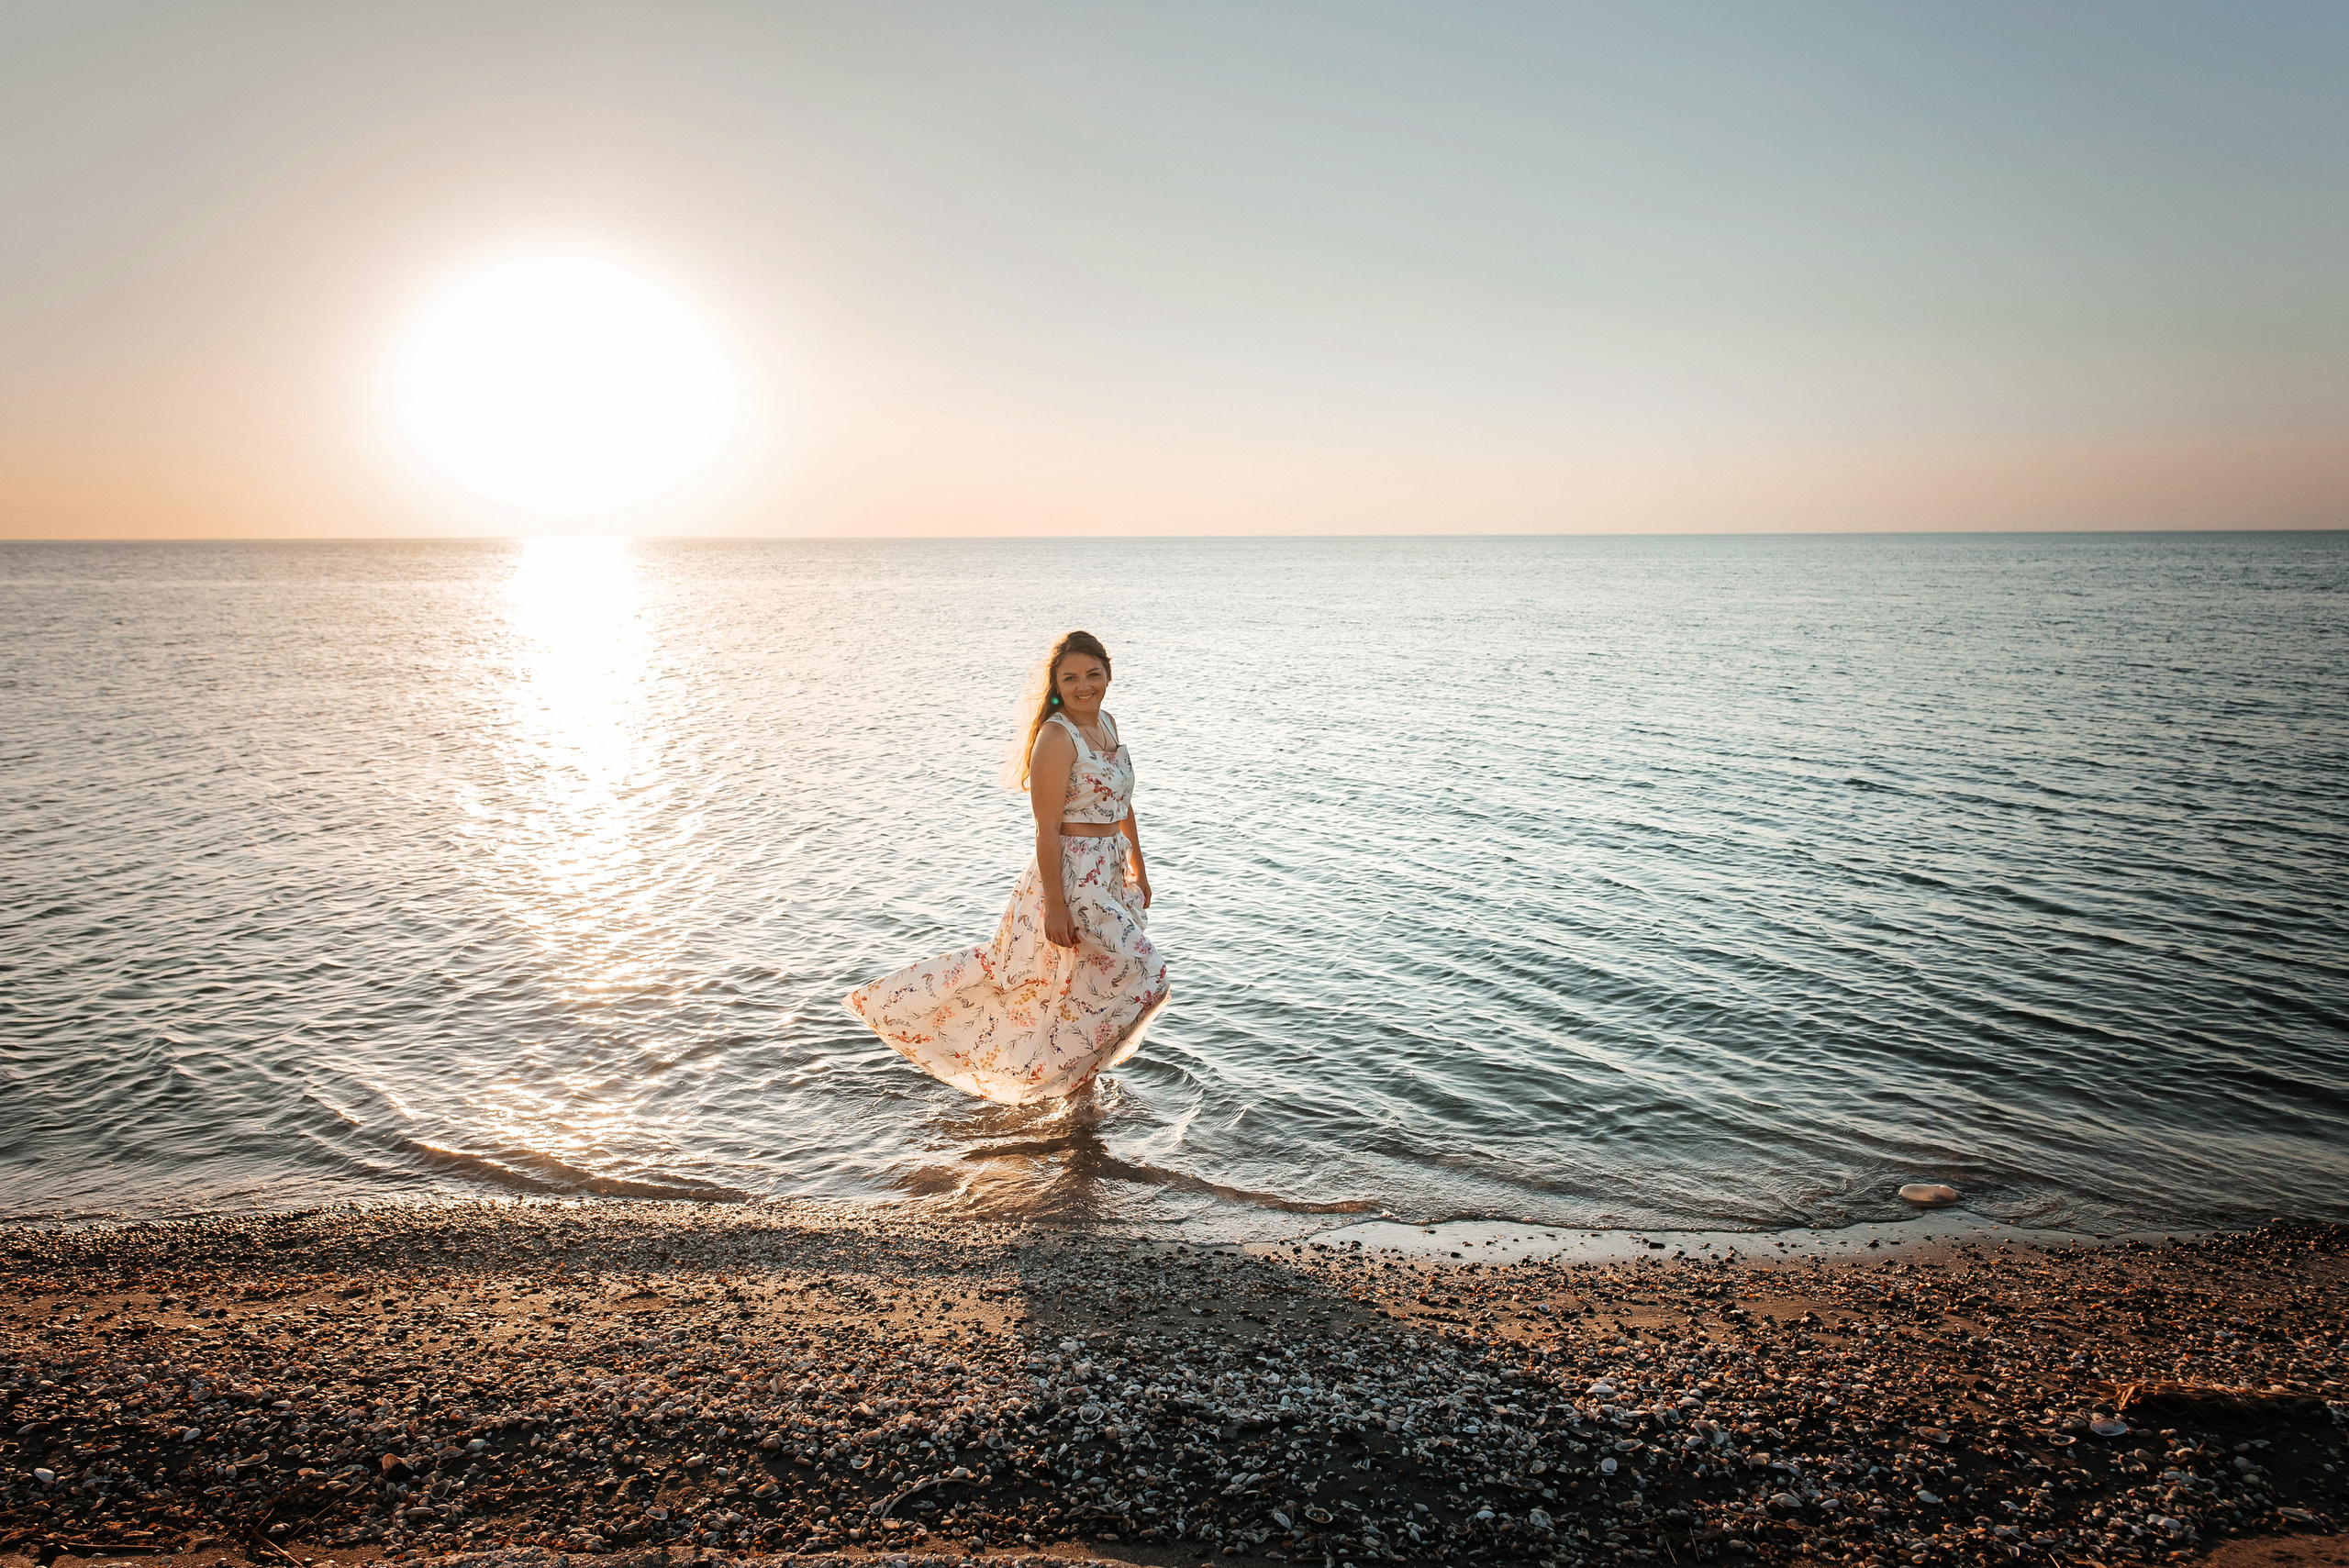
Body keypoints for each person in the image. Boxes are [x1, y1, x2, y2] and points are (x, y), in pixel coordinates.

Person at [843, 629, 1171, 1103]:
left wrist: (1140, 867)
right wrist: (1056, 907)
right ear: (1056, 685)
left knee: (1081, 985)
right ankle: (919, 1014)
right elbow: (1046, 829)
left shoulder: (1108, 725)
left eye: (1093, 674)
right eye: (1071, 677)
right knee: (1146, 972)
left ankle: (1077, 1095)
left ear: (1108, 674)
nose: (1085, 685)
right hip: (1074, 877)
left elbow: (1123, 804)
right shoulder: (1057, 737)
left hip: (1110, 871)